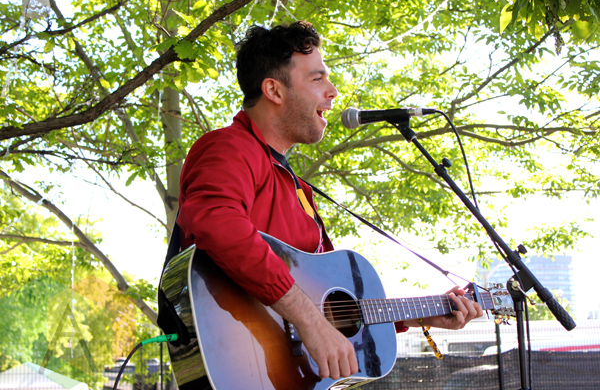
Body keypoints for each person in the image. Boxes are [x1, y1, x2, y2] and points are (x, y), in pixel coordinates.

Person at [176, 20, 483, 385]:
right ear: (274, 90)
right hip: (241, 366)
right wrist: (309, 321)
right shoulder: (230, 147)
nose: (333, 91)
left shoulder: (297, 189)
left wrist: (418, 315)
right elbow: (217, 223)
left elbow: (328, 304)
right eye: (317, 78)